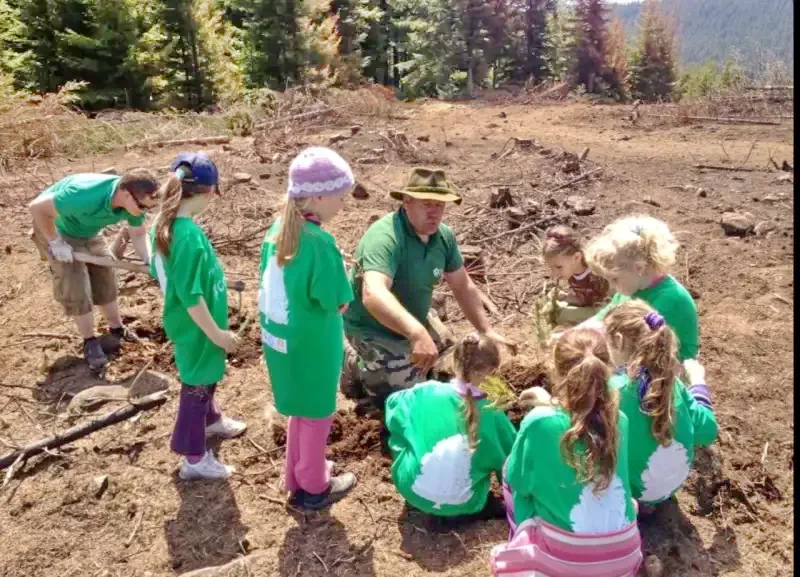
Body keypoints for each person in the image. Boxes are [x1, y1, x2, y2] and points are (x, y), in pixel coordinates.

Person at [341, 167, 514, 409]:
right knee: (400, 396)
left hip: (414, 318)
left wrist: (486, 330)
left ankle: (402, 358)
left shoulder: (442, 237)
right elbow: (374, 295)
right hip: (371, 327)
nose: (434, 213)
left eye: (440, 205)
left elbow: (462, 285)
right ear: (407, 201)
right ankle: (352, 362)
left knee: (451, 368)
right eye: (427, 204)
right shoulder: (385, 237)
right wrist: (416, 333)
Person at [491, 328, 642, 577]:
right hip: (624, 556)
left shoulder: (539, 421)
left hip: (566, 563)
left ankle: (523, 545)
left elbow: (518, 480)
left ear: (554, 370)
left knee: (510, 475)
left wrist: (546, 409)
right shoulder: (620, 420)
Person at [259, 147, 357, 510]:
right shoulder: (319, 242)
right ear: (316, 196)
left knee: (299, 407)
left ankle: (296, 474)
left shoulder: (277, 231)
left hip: (281, 341)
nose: (343, 205)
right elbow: (338, 300)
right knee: (318, 412)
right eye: (340, 197)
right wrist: (344, 271)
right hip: (313, 344)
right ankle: (314, 486)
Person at [150, 152, 246, 480]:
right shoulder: (187, 234)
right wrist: (217, 334)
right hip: (198, 328)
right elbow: (190, 296)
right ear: (208, 192)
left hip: (197, 326)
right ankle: (193, 457)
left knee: (206, 378)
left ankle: (211, 420)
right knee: (196, 387)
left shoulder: (168, 226)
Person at [29, 169, 161, 371]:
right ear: (126, 194)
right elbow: (37, 208)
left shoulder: (133, 202)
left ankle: (116, 328)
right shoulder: (82, 195)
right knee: (76, 285)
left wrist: (149, 260)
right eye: (142, 206)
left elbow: (138, 232)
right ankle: (89, 341)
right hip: (57, 229)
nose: (144, 211)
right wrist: (55, 242)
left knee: (105, 277)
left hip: (89, 232)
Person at [384, 332, 516, 522]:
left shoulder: (426, 391)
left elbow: (392, 405)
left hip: (411, 490)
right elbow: (510, 464)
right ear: (493, 372)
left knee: (405, 430)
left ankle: (416, 480)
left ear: (454, 363)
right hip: (467, 504)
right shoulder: (495, 415)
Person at [604, 300, 718, 508]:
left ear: (618, 341)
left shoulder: (613, 390)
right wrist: (698, 382)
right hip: (668, 488)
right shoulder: (672, 384)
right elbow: (708, 431)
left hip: (631, 493)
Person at [582, 214, 699, 361]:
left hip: (670, 369)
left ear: (639, 268)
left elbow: (633, 345)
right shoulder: (632, 287)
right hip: (638, 355)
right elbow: (605, 317)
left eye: (614, 279)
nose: (611, 286)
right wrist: (575, 333)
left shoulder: (669, 300)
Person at [539, 225, 610, 327]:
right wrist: (566, 297)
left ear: (576, 257)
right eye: (551, 268)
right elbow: (586, 299)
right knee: (556, 308)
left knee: (563, 315)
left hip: (605, 311)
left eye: (559, 267)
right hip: (594, 307)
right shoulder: (573, 274)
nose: (554, 274)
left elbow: (607, 305)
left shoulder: (596, 276)